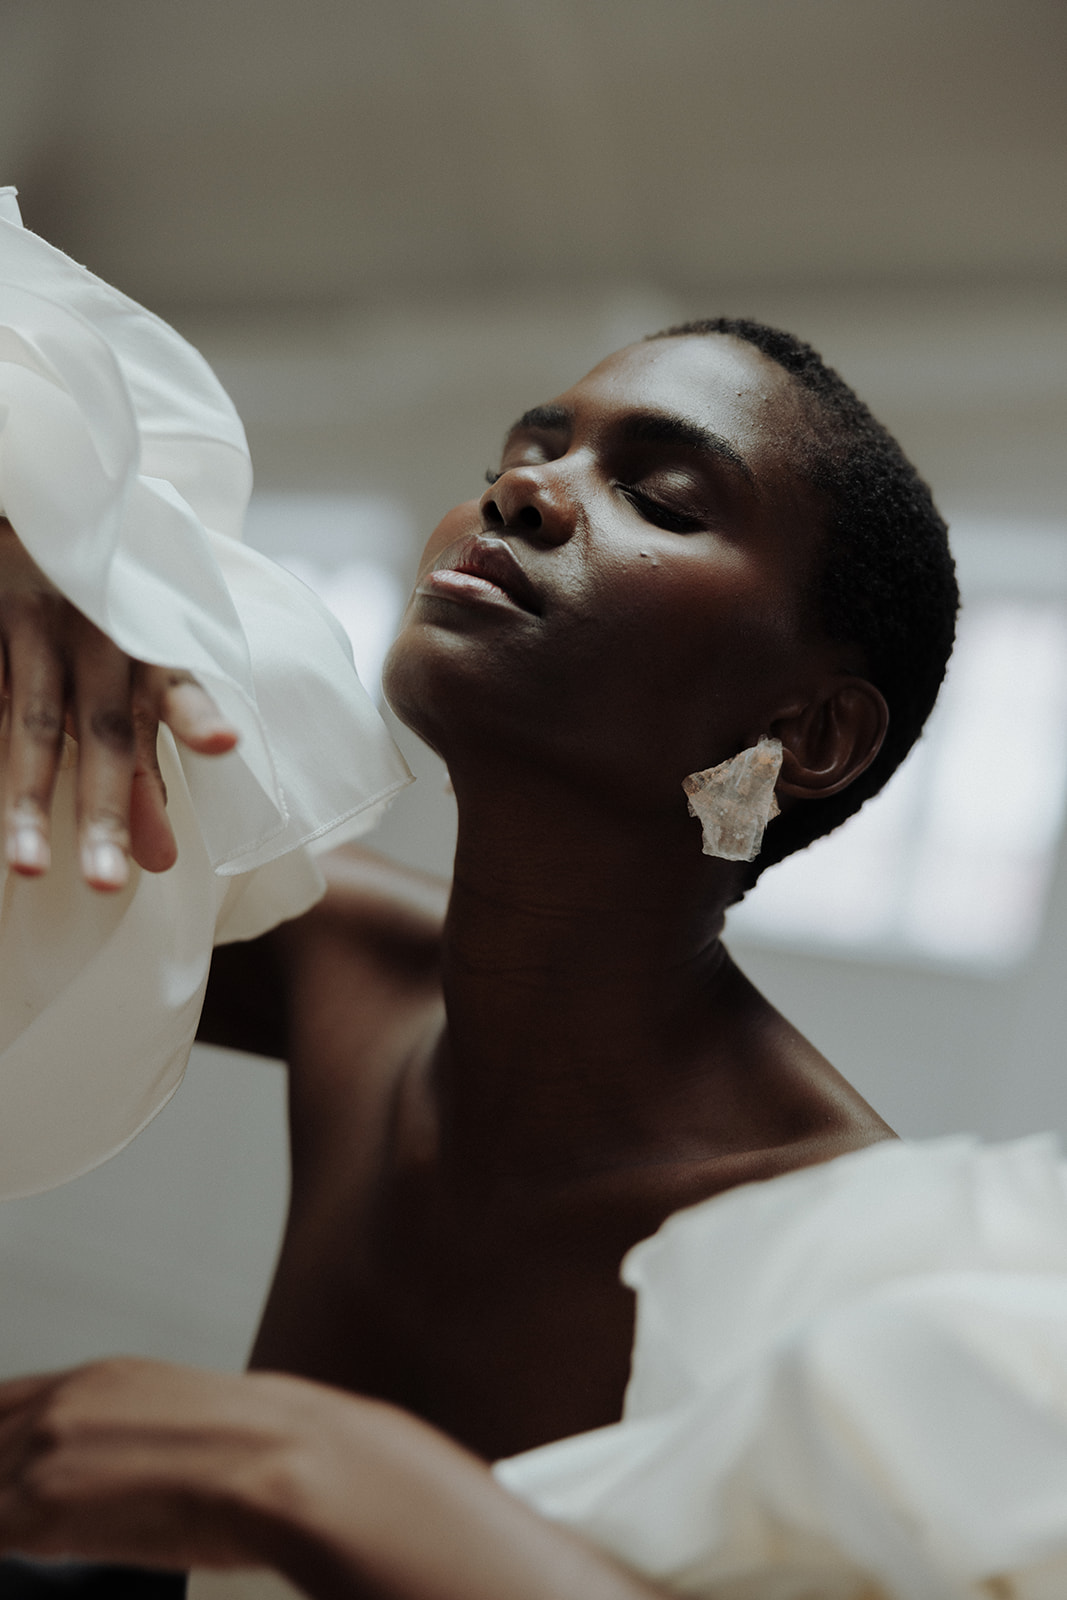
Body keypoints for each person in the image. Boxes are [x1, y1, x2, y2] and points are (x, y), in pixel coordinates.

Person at [6, 294, 1063, 1600]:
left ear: (811, 736)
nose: (524, 494)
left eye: (664, 499)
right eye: (519, 455)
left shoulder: (855, 1274)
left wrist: (300, 1464)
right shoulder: (330, 951)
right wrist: (37, 572)